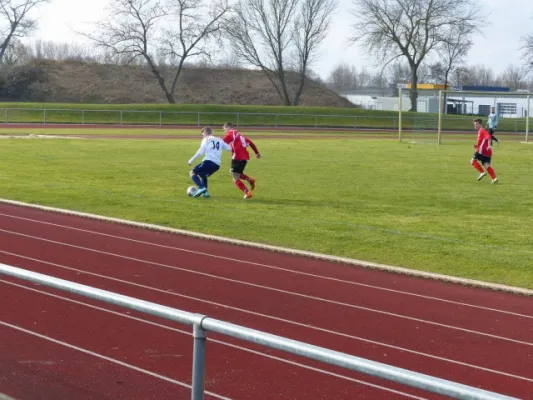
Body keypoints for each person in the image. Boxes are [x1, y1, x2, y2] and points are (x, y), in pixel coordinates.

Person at [188, 126, 231, 198]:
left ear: (205, 132)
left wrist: (191, 160)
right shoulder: (219, 139)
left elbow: (200, 152)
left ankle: (201, 188)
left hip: (209, 161)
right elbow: (229, 148)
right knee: (202, 174)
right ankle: (206, 193)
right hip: (217, 165)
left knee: (192, 172)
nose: (203, 136)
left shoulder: (206, 139)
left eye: (203, 134)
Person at [222, 122, 261, 199]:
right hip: (244, 158)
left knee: (235, 178)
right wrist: (257, 153)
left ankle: (247, 192)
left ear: (228, 127)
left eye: (225, 129)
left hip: (237, 158)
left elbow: (223, 142)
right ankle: (250, 180)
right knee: (234, 172)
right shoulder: (241, 136)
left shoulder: (231, 133)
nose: (225, 131)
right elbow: (251, 143)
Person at [472, 118, 498, 184]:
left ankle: (482, 172)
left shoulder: (482, 130)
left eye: (477, 124)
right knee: (487, 165)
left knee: (472, 161)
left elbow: (488, 137)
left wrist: (489, 145)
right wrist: (476, 145)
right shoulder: (481, 131)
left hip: (481, 151)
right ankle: (494, 178)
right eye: (475, 124)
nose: (475, 125)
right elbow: (483, 141)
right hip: (487, 153)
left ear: (480, 124)